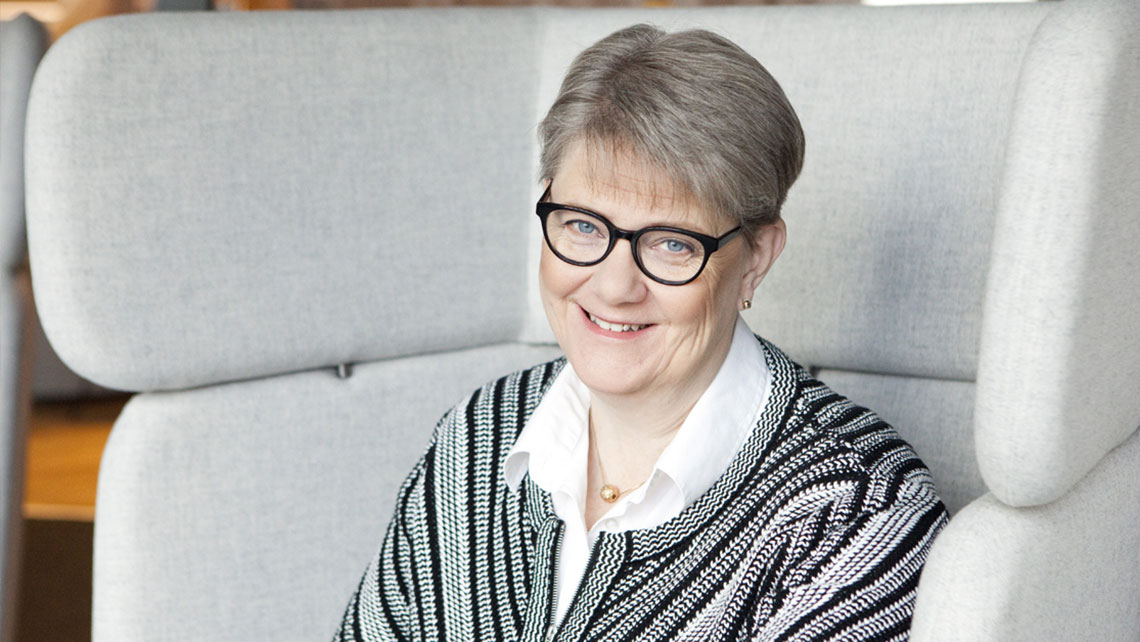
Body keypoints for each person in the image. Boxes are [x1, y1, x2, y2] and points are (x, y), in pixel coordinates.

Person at [335, 24, 948, 642]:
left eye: (671, 243)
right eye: (582, 226)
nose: (613, 286)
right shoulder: (477, 436)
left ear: (757, 256)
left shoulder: (858, 508)